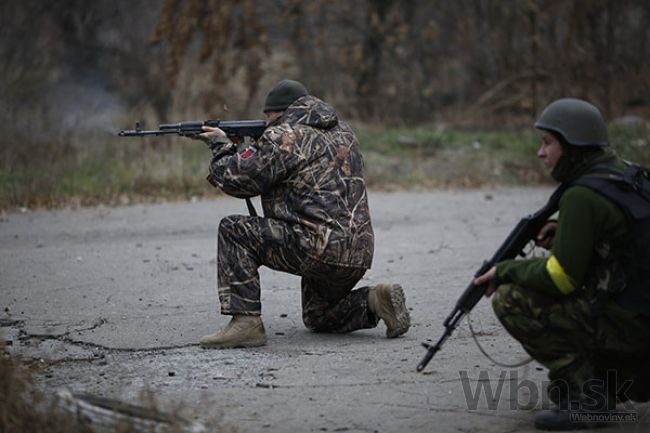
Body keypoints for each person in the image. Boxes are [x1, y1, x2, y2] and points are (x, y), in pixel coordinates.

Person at [192, 79, 410, 349]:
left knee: (233, 230)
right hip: (356, 252)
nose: (266, 121)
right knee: (318, 315)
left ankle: (245, 324)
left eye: (267, 115)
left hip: (315, 247)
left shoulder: (286, 136)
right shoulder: (344, 131)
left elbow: (238, 180)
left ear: (278, 112)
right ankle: (376, 300)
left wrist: (220, 146)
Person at [474, 98, 650, 430]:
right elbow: (625, 246)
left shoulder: (581, 196)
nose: (541, 153)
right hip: (640, 312)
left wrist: (505, 270)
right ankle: (604, 380)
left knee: (512, 299)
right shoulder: (622, 173)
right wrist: (567, 234)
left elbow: (561, 278)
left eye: (548, 142)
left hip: (633, 328)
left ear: (572, 146)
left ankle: (589, 398)